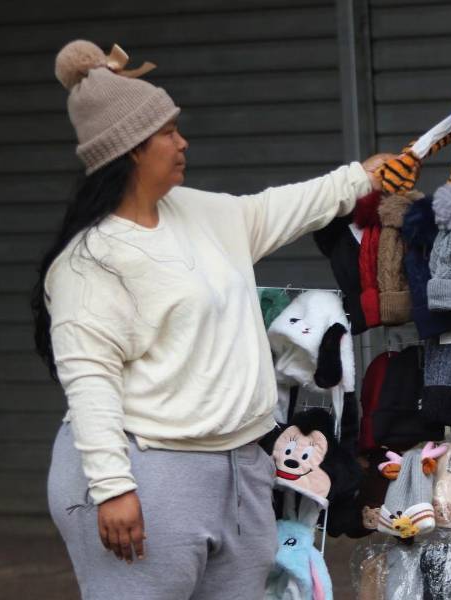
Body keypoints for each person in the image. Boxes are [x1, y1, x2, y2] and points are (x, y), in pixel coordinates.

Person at [31, 39, 394, 599]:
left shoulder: (200, 213)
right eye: (169, 131)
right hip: (145, 471)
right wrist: (111, 489)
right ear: (130, 148)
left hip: (240, 466)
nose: (183, 142)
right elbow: (90, 380)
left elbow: (280, 207)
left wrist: (361, 178)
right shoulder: (92, 261)